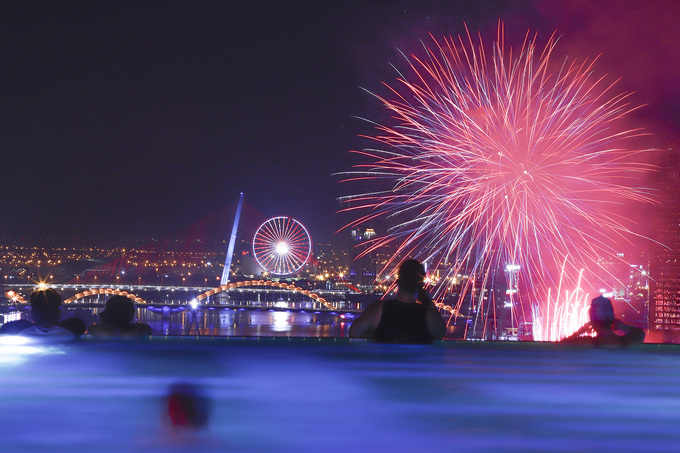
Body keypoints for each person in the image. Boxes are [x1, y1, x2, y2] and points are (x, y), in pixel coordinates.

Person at [349, 259, 446, 343]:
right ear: (421, 285)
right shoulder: (430, 316)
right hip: (416, 364)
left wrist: (374, 336)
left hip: (385, 363)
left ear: (397, 281)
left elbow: (354, 333)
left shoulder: (377, 310)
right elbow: (440, 333)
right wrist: (427, 301)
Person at [562, 295, 645, 346]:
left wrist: (581, 331)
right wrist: (622, 326)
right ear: (613, 319)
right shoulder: (626, 343)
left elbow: (561, 345)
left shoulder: (587, 343)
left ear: (592, 322)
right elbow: (640, 334)